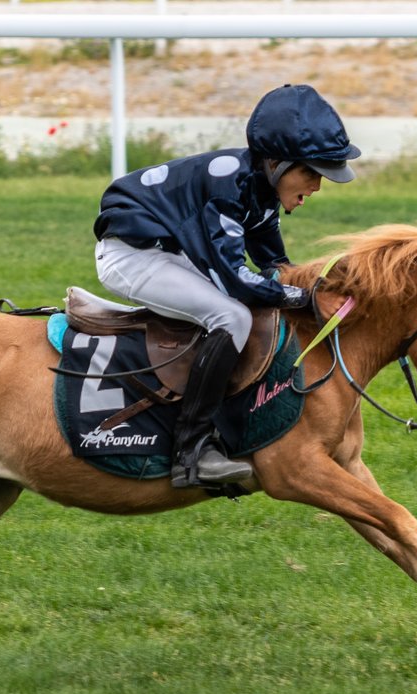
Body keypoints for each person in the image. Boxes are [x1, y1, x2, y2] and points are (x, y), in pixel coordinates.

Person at [92, 84, 361, 489]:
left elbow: (276, 268)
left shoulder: (262, 192)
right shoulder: (231, 185)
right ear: (276, 163)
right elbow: (236, 279)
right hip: (131, 255)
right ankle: (192, 450)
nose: (316, 187)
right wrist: (306, 297)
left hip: (167, 252)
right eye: (310, 172)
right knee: (231, 315)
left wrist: (326, 285)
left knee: (248, 308)